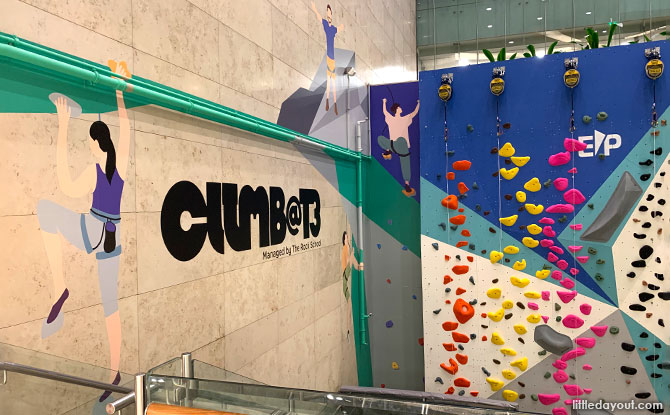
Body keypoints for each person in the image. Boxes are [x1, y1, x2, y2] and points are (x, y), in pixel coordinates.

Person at [37, 62, 131, 402]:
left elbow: (64, 184)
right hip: (112, 238)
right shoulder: (118, 168)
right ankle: (115, 371)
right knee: (111, 305)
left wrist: (63, 127)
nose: (90, 147)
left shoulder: (94, 171)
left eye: (90, 143)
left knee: (45, 211)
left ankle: (60, 287)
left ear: (95, 143)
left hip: (90, 229)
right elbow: (126, 130)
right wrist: (119, 91)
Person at [377, 98, 420, 197]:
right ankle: (407, 184)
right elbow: (414, 112)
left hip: (394, 146)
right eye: (399, 107)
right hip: (400, 146)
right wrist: (418, 103)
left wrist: (384, 102)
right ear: (396, 110)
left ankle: (388, 152)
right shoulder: (403, 119)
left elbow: (385, 112)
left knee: (383, 139)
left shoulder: (394, 119)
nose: (401, 108)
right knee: (386, 139)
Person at [311, 2, 343, 115]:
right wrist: (314, 9)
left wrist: (342, 26)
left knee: (333, 81)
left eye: (330, 15)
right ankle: (328, 101)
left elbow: (339, 28)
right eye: (328, 14)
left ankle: (333, 102)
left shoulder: (333, 29)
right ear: (327, 15)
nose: (329, 17)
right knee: (329, 81)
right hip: (329, 57)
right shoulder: (325, 24)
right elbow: (319, 17)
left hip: (332, 59)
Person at [341, 224, 363, 301]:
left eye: (347, 238)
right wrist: (351, 254)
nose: (347, 239)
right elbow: (347, 261)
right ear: (343, 240)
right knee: (352, 257)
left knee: (352, 257)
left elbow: (350, 260)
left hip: (348, 270)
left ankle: (358, 267)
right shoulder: (345, 248)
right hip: (345, 272)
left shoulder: (348, 247)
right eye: (346, 238)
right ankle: (358, 267)